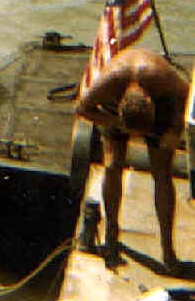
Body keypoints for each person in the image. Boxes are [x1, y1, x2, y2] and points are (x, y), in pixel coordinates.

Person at [75, 46, 190, 274]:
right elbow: (81, 107)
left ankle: (168, 252)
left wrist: (174, 131)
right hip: (114, 114)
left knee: (162, 173)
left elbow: (189, 95)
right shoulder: (108, 82)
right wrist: (116, 124)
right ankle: (110, 236)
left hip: (161, 109)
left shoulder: (160, 77)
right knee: (112, 165)